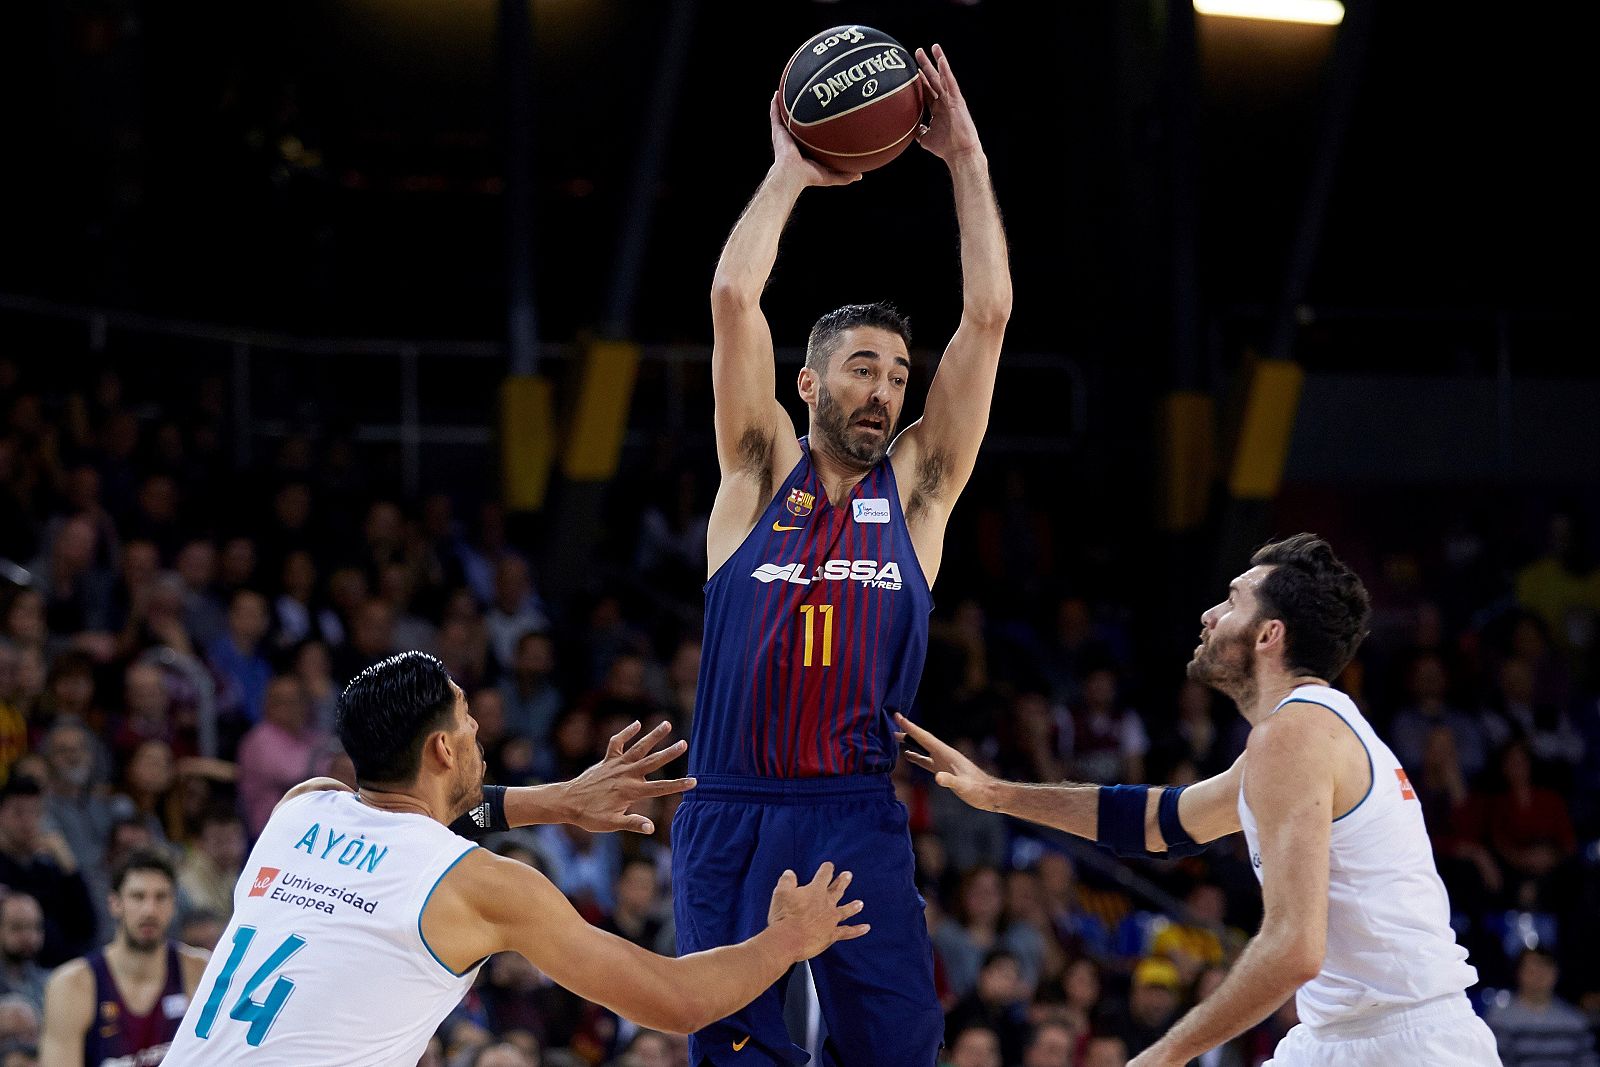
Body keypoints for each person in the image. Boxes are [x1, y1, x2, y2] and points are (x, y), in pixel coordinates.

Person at [677, 42, 1010, 1066]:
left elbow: (987, 318)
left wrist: (966, 162)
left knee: (898, 1049)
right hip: (729, 803)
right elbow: (735, 302)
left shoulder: (914, 492)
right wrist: (788, 169)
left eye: (897, 375)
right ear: (809, 385)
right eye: (861, 367)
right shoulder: (753, 473)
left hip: (853, 807)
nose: (884, 388)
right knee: (732, 1048)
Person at [899, 534, 1502, 1066]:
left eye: (1233, 601)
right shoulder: (1303, 732)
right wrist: (998, 793)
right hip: (1347, 1036)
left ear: (1270, 635)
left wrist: (1166, 1052)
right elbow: (1159, 823)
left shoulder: (1295, 735)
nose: (1211, 615)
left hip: (1398, 1045)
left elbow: (1294, 950)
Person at [161, 651, 866, 1065]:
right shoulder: (484, 886)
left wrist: (554, 799)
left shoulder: (298, 809)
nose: (476, 731)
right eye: (466, 720)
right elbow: (676, 1003)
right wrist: (787, 940)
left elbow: (409, 813)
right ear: (441, 749)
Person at [39, 847, 208, 1067]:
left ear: (173, 905)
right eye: (138, 897)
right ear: (115, 904)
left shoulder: (202, 971)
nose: (149, 910)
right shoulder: (72, 985)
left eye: (161, 897)